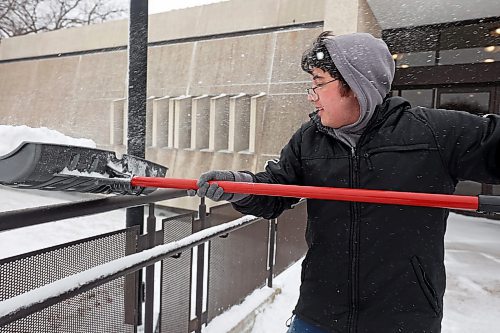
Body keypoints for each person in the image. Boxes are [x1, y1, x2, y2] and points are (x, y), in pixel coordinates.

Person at [190, 31, 500, 332]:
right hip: (320, 314)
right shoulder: (309, 139)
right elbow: (275, 191)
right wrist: (239, 186)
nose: (311, 96)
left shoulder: (431, 133)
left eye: (319, 83)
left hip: (402, 319)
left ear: (354, 85)